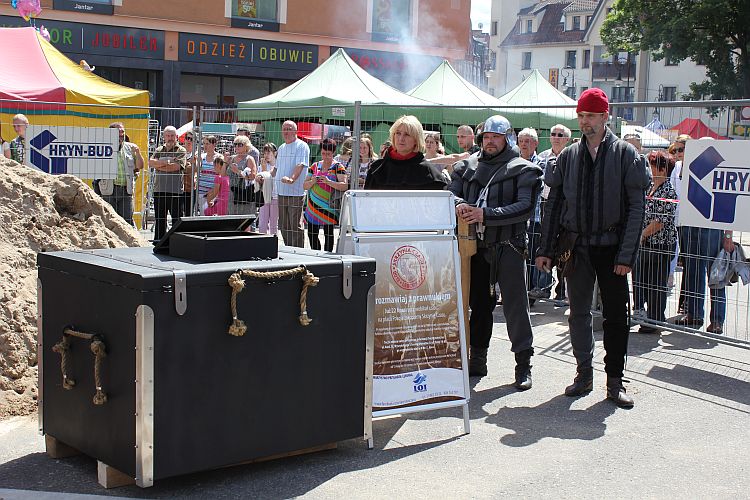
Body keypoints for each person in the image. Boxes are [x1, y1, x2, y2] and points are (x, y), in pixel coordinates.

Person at [536, 88, 650, 408]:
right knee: (578, 314)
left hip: (612, 249)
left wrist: (626, 255)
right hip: (578, 247)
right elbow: (553, 205)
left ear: (605, 116)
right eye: (581, 115)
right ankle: (584, 374)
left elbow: (637, 209)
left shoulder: (626, 155)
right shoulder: (568, 156)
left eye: (591, 116)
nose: (585, 121)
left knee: (616, 316)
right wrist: (545, 249)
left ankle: (614, 381)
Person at [449, 115, 542, 389]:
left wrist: (485, 214)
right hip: (474, 246)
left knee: (515, 306)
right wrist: (459, 204)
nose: (490, 142)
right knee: (478, 305)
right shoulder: (467, 166)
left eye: (496, 137)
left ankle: (523, 365)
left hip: (509, 245)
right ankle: (478, 359)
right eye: (486, 137)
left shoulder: (523, 169)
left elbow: (525, 206)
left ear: (507, 139)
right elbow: (451, 193)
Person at [634, 151, 678, 334]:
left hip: (660, 244)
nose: (649, 169)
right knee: (643, 281)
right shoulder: (650, 186)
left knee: (656, 284)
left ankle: (655, 319)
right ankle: (645, 316)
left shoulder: (668, 191)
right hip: (646, 244)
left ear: (662, 169)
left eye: (652, 166)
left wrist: (642, 235)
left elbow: (660, 222)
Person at [535, 124, 572, 306]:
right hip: (545, 204)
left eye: (560, 135)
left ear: (567, 139)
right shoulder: (542, 157)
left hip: (564, 206)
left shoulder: (571, 156)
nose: (556, 137)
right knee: (546, 243)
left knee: (564, 248)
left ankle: (562, 291)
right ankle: (544, 286)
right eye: (553, 134)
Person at [364, 115, 447, 190]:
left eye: (407, 134)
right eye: (398, 133)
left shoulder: (431, 175)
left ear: (416, 139)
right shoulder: (376, 170)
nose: (401, 139)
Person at [95, 122, 144, 226]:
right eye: (118, 132)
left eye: (122, 131)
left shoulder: (130, 148)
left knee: (127, 221)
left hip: (126, 190)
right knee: (109, 220)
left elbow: (140, 166)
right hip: (109, 189)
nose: (121, 134)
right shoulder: (103, 147)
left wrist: (138, 153)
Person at [302, 139, 348, 251]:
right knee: (312, 235)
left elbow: (344, 186)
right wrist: (312, 181)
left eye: (328, 154)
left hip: (329, 208)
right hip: (313, 208)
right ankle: (316, 255)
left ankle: (328, 257)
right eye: (323, 153)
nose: (325, 156)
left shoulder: (338, 167)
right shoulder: (314, 166)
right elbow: (305, 186)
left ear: (333, 153)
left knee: (329, 235)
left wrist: (329, 182)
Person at [276, 120, 310, 248]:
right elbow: (276, 169)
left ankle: (298, 251)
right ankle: (288, 249)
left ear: (296, 131)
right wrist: (264, 176)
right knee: (284, 225)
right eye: (284, 129)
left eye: (289, 129)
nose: (286, 132)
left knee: (295, 225)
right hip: (281, 192)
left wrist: (292, 179)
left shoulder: (301, 146)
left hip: (296, 192)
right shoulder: (281, 148)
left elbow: (300, 165)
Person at [149, 126, 186, 241]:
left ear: (176, 137)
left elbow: (176, 167)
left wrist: (159, 165)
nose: (170, 138)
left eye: (172, 136)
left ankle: (177, 242)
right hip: (159, 190)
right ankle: (158, 242)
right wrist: (168, 161)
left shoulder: (181, 150)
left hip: (175, 191)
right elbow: (151, 163)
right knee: (160, 219)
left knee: (176, 219)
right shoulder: (159, 150)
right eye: (168, 135)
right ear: (164, 137)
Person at [228, 135, 258, 216]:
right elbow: (223, 174)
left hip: (244, 194)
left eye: (240, 144)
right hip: (232, 193)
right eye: (235, 144)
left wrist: (238, 171)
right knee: (232, 217)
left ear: (246, 146)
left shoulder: (249, 159)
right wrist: (224, 161)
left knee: (244, 217)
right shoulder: (231, 158)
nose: (237, 146)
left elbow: (253, 176)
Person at [256, 143, 279, 235]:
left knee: (274, 223)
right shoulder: (262, 166)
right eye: (264, 153)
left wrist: (264, 171)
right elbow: (260, 180)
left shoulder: (279, 165)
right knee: (262, 223)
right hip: (264, 197)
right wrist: (258, 178)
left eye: (268, 153)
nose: (266, 155)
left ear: (275, 153)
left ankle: (273, 240)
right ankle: (261, 240)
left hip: (275, 196)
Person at [181, 132, 197, 216]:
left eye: (192, 139)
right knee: (178, 213)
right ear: (185, 139)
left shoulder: (197, 154)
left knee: (189, 213)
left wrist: (183, 165)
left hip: (190, 188)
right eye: (188, 138)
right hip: (178, 187)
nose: (189, 141)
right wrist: (189, 164)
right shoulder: (179, 152)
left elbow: (196, 168)